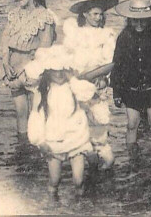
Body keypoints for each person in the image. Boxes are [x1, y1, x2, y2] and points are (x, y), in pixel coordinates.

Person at [24, 46, 97, 196]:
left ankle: (80, 204)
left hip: (76, 139)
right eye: (54, 70)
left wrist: (72, 78)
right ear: (47, 71)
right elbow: (36, 117)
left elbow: (88, 93)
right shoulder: (42, 91)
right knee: (55, 180)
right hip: (53, 141)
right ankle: (52, 204)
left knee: (78, 180)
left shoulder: (74, 87)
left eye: (62, 69)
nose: (58, 74)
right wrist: (40, 141)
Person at [62, 0, 119, 172]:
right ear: (85, 14)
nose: (98, 18)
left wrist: (102, 79)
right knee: (79, 122)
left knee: (99, 121)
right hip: (77, 83)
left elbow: (111, 61)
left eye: (100, 14)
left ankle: (104, 160)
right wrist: (74, 78)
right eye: (94, 14)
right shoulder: (75, 34)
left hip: (97, 83)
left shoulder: (106, 35)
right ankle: (88, 161)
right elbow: (67, 59)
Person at [0, 0, 57, 140]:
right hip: (13, 68)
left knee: (36, 113)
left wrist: (27, 68)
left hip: (33, 69)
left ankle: (37, 145)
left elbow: (45, 49)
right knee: (20, 113)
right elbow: (5, 40)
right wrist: (5, 62)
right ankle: (22, 146)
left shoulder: (44, 16)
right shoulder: (14, 15)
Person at [110, 0, 151, 148]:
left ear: (149, 19)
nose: (139, 24)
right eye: (135, 21)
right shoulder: (124, 38)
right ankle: (132, 156)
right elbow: (117, 65)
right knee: (132, 124)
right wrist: (116, 92)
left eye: (143, 21)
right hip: (131, 88)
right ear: (129, 20)